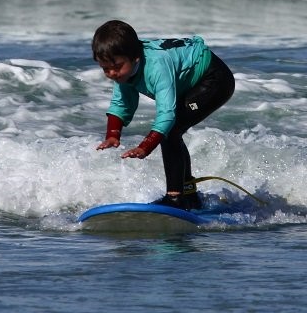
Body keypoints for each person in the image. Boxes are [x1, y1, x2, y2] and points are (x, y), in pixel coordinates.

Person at [93, 19, 235, 210]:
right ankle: (188, 195)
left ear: (135, 57)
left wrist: (146, 146)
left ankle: (175, 199)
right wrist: (112, 134)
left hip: (215, 80)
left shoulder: (156, 66)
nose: (111, 73)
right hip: (190, 83)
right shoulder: (124, 72)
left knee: (170, 130)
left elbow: (166, 115)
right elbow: (121, 102)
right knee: (172, 131)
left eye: (116, 67)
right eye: (105, 69)